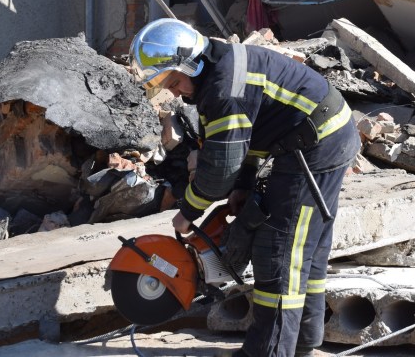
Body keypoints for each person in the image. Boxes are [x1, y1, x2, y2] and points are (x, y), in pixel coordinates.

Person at [129, 18, 360, 357]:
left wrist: (188, 212)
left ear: (191, 63)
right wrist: (244, 185)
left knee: (279, 250)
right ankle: (303, 341)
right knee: (306, 250)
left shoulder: (223, 89)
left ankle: (268, 351)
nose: (175, 91)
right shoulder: (220, 72)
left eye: (174, 80)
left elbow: (220, 169)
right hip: (318, 135)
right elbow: (249, 138)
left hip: (314, 145)